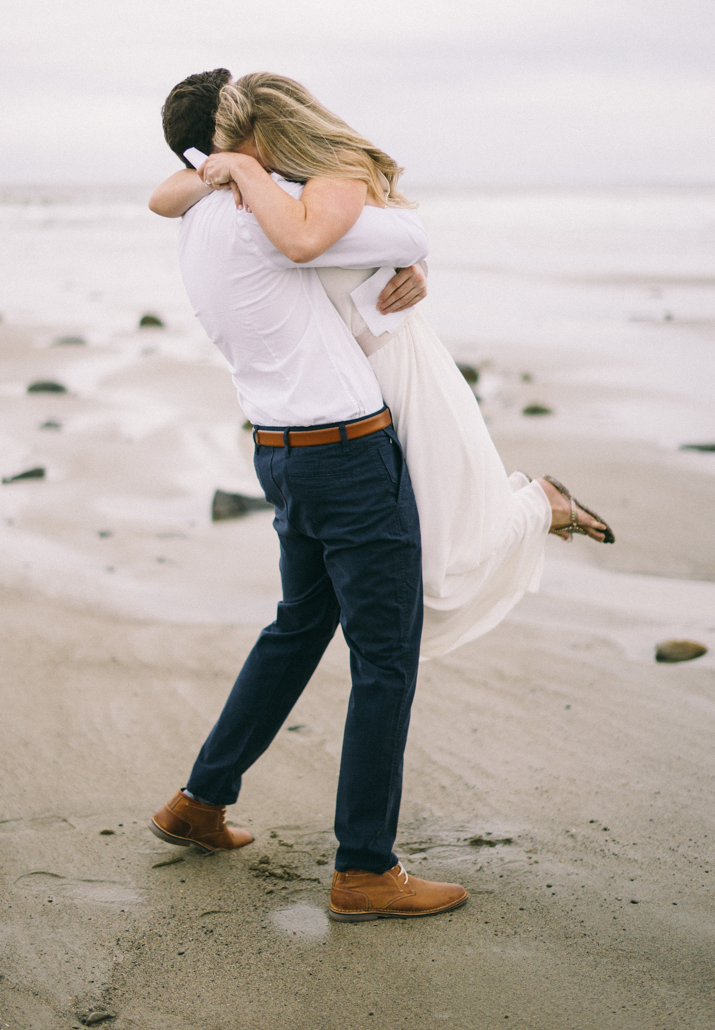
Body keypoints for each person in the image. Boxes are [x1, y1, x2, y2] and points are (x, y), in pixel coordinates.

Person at [148, 68, 469, 922]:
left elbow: (369, 244)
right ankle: (365, 868)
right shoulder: (265, 213)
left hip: (281, 453)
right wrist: (413, 254)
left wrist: (405, 256)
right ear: (233, 139)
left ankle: (200, 800)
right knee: (385, 661)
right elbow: (405, 227)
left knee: (297, 629)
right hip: (348, 454)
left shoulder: (199, 219)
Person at [153, 72, 615, 662]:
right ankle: (533, 505)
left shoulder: (311, 183)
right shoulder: (249, 194)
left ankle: (538, 503)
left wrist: (414, 261)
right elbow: (162, 196)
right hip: (352, 387)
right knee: (420, 565)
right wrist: (225, 174)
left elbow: (378, 234)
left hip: (403, 368)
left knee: (445, 561)